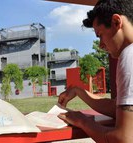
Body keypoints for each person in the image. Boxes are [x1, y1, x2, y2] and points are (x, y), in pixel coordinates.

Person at [57, 0, 133, 142]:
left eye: (100, 35)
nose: (100, 45)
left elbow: (124, 139)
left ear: (117, 22)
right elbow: (117, 108)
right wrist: (79, 92)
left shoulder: (129, 55)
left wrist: (83, 122)